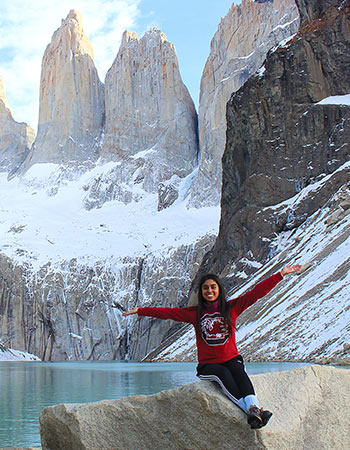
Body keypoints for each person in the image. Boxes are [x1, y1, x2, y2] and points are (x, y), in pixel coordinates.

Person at [123, 264, 301, 429]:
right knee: (223, 374)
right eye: (206, 288)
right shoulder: (194, 313)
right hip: (208, 365)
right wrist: (141, 310)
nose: (209, 290)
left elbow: (255, 294)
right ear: (201, 292)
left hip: (232, 358)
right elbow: (167, 313)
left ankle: (253, 409)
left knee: (239, 372)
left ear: (219, 290)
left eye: (213, 287)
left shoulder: (232, 308)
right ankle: (253, 411)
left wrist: (280, 275)